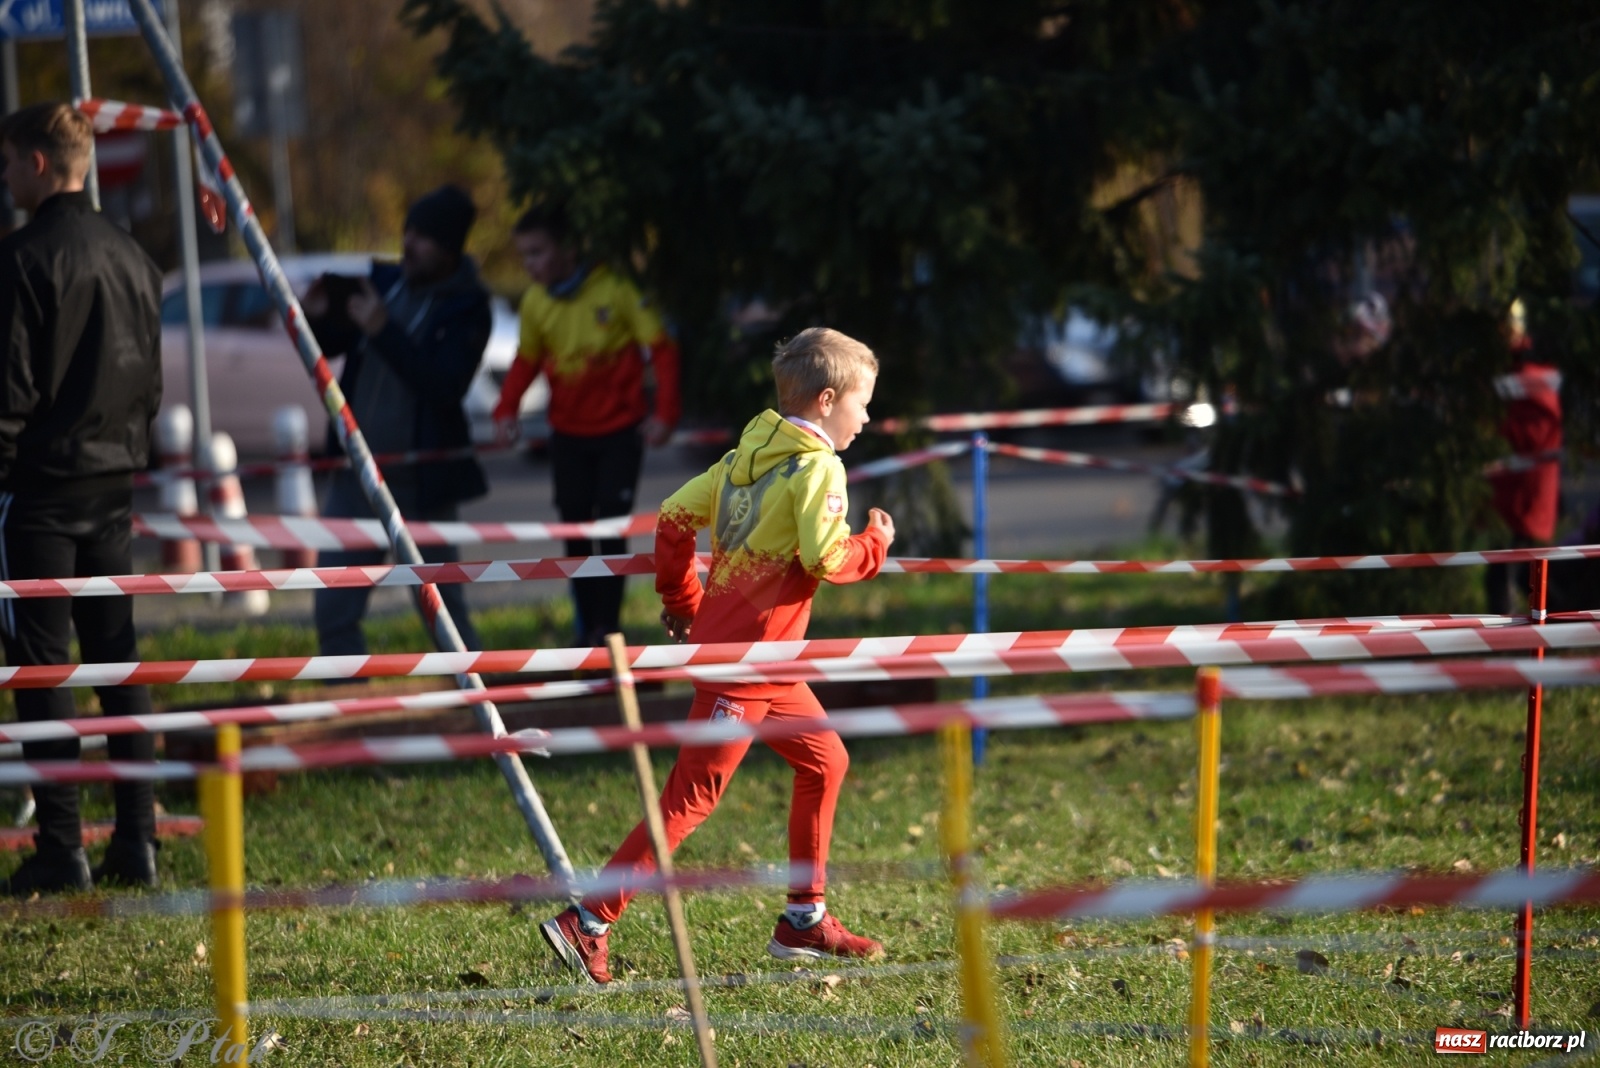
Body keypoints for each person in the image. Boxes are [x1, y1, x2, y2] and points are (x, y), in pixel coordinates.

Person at [540, 327, 895, 984]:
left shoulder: (743, 457)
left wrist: (683, 601)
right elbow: (825, 556)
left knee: (826, 760)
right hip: (749, 660)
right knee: (692, 795)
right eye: (862, 403)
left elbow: (674, 516)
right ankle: (587, 921)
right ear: (825, 401)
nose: (867, 417)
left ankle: (803, 919)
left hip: (761, 657)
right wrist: (874, 544)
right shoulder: (819, 468)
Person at [0, 103, 163, 894]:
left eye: (5, 163)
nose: (3, 179)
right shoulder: (135, 257)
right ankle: (139, 838)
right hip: (115, 482)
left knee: (40, 670)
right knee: (118, 663)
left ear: (36, 163)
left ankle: (60, 849)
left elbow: (8, 391)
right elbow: (151, 383)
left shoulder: (21, 259)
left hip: (39, 489)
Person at [305, 185, 490, 659]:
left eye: (423, 236)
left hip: (422, 485)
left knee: (442, 613)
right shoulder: (384, 284)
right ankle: (345, 711)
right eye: (408, 230)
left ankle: (478, 705)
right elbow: (335, 345)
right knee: (333, 610)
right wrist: (318, 318)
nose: (409, 243)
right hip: (358, 479)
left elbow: (444, 385)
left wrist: (383, 329)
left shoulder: (468, 307)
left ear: (449, 249)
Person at [492, 206, 681, 646]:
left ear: (568, 249)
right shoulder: (537, 302)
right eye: (524, 256)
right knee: (574, 535)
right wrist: (506, 411)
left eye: (538, 252)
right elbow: (526, 362)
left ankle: (608, 632)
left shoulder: (616, 288)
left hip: (620, 433)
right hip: (567, 435)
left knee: (610, 533)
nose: (530, 265)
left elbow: (663, 349)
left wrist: (665, 415)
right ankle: (587, 635)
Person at [1486, 302, 1562, 615]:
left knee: (1519, 577)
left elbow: (1535, 436)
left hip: (1527, 495)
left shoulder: (1533, 378)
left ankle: (1517, 646)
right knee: (1516, 576)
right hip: (1513, 494)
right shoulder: (1514, 373)